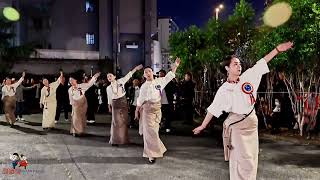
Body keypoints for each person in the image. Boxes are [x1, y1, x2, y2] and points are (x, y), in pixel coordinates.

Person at [193, 42, 293, 180]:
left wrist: (277, 50)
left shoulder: (248, 77)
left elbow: (262, 62)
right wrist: (203, 125)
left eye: (239, 63)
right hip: (237, 127)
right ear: (227, 68)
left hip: (252, 124)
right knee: (242, 160)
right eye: (235, 64)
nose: (239, 66)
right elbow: (213, 108)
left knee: (252, 159)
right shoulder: (224, 89)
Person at [135, 58, 180, 164]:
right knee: (150, 133)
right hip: (147, 111)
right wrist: (136, 110)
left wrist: (176, 66)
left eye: (149, 71)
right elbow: (139, 101)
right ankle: (151, 155)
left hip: (157, 110)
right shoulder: (143, 87)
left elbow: (169, 76)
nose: (148, 73)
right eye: (145, 72)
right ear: (144, 75)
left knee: (154, 132)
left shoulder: (159, 81)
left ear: (152, 73)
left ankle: (156, 150)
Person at [106, 64, 143, 146]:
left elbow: (129, 75)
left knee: (123, 121)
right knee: (116, 121)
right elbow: (109, 98)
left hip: (123, 102)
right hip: (115, 104)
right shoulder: (108, 88)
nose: (109, 78)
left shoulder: (121, 81)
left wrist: (136, 69)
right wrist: (109, 106)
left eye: (110, 76)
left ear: (114, 76)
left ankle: (123, 139)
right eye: (108, 77)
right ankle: (115, 140)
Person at [68, 72, 100, 137]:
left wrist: (94, 77)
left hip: (83, 102)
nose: (70, 81)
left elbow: (89, 84)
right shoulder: (70, 89)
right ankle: (76, 131)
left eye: (72, 80)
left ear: (76, 80)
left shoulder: (82, 86)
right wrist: (72, 108)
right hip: (75, 104)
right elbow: (71, 99)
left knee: (82, 117)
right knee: (76, 117)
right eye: (70, 80)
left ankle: (81, 130)